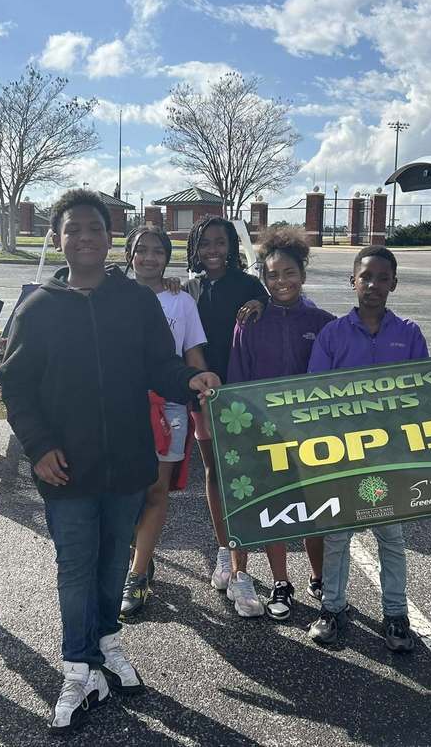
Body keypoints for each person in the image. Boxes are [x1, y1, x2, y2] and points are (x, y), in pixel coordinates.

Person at [0, 190, 220, 735]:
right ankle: (78, 668)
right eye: (73, 229)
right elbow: (15, 386)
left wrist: (190, 381)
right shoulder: (38, 308)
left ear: (109, 235)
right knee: (75, 568)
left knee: (114, 560)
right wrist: (39, 446)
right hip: (65, 468)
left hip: (125, 462)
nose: (85, 237)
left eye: (95, 227)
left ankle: (106, 645)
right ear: (58, 238)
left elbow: (158, 364)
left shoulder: (134, 301)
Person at [306, 245, 428, 649]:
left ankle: (395, 616)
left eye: (382, 277)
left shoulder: (408, 334)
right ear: (352, 281)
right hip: (343, 456)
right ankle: (333, 608)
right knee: (338, 537)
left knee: (390, 537)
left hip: (389, 458)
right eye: (365, 277)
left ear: (394, 282)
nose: (373, 284)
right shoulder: (333, 334)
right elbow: (314, 396)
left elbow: (424, 392)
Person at [226, 227, 334, 620]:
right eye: (271, 275)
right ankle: (281, 582)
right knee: (276, 509)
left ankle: (320, 578)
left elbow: (339, 383)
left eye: (288, 273)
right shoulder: (250, 321)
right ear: (263, 277)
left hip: (311, 436)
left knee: (315, 509)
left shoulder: (324, 323)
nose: (281, 281)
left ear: (302, 274)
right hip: (265, 435)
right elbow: (237, 382)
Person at [120, 225, 208, 617]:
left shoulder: (181, 300)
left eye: (159, 251)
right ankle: (140, 552)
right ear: (129, 254)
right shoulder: (110, 294)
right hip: (118, 407)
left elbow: (192, 355)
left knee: (156, 491)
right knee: (125, 492)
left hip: (168, 407)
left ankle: (137, 576)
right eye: (142, 250)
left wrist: (204, 395)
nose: (150, 258)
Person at [184, 216, 269, 617]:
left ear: (232, 247)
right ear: (196, 248)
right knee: (215, 473)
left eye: (220, 243)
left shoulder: (250, 286)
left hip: (241, 397)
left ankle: (241, 570)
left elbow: (271, 313)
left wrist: (261, 303)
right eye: (205, 244)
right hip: (204, 395)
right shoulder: (190, 287)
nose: (213, 250)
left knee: (243, 480)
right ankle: (224, 549)